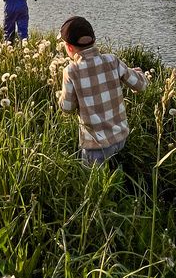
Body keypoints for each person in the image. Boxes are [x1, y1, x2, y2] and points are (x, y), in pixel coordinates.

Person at [57, 15, 148, 165]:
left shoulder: (71, 71)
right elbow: (141, 85)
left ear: (69, 47)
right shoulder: (112, 61)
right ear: (94, 40)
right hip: (121, 139)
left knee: (94, 185)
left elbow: (67, 108)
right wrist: (139, 74)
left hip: (95, 148)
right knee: (118, 175)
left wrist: (62, 94)